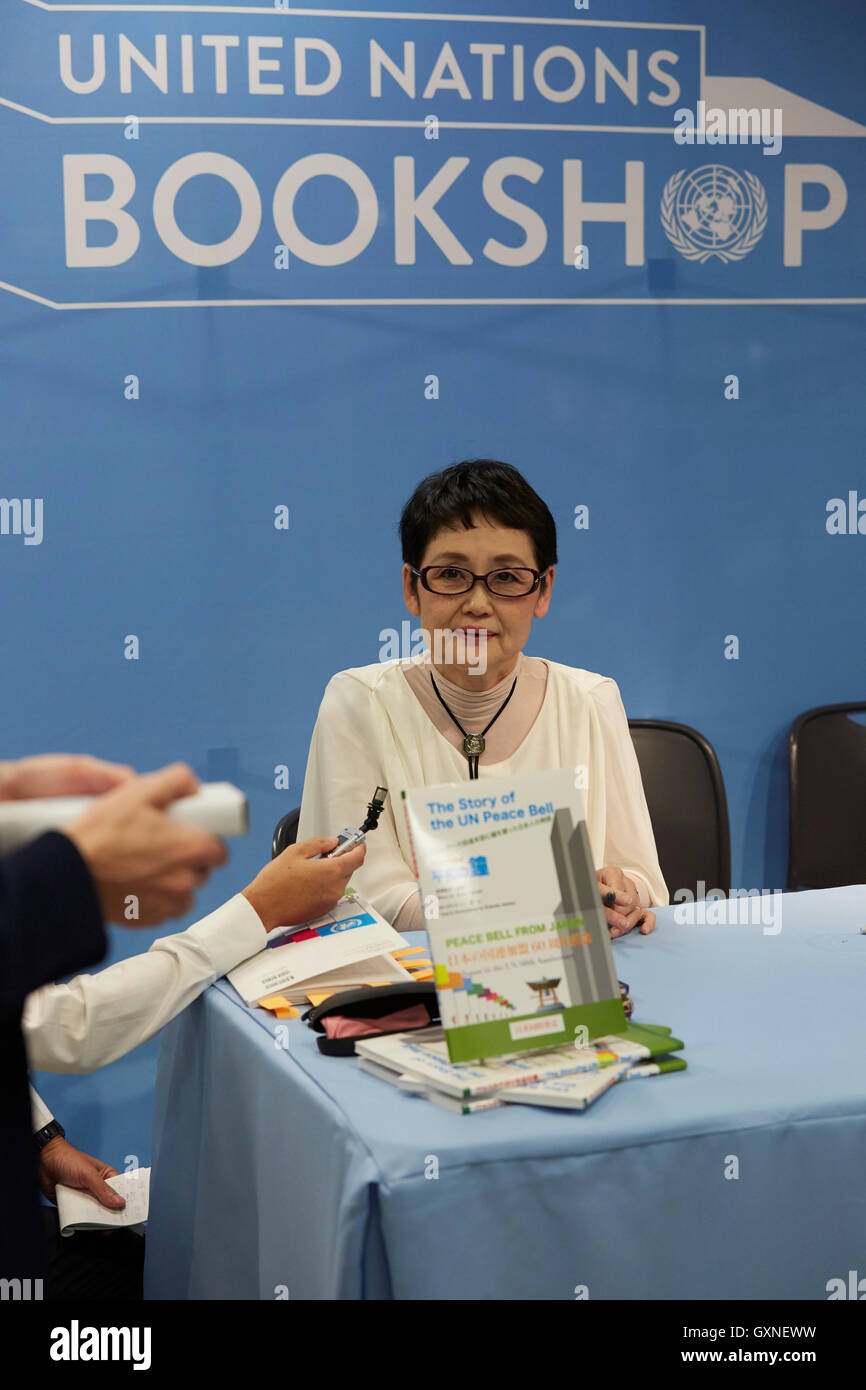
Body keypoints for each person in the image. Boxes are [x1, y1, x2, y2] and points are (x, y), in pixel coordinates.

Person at [297, 459, 668, 936]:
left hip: (576, 986)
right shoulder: (359, 703)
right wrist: (533, 905)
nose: (477, 603)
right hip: (414, 990)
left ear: (543, 590)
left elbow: (640, 876)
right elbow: (363, 896)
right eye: (451, 574)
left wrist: (623, 893)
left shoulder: (590, 700)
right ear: (412, 588)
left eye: (507, 578)